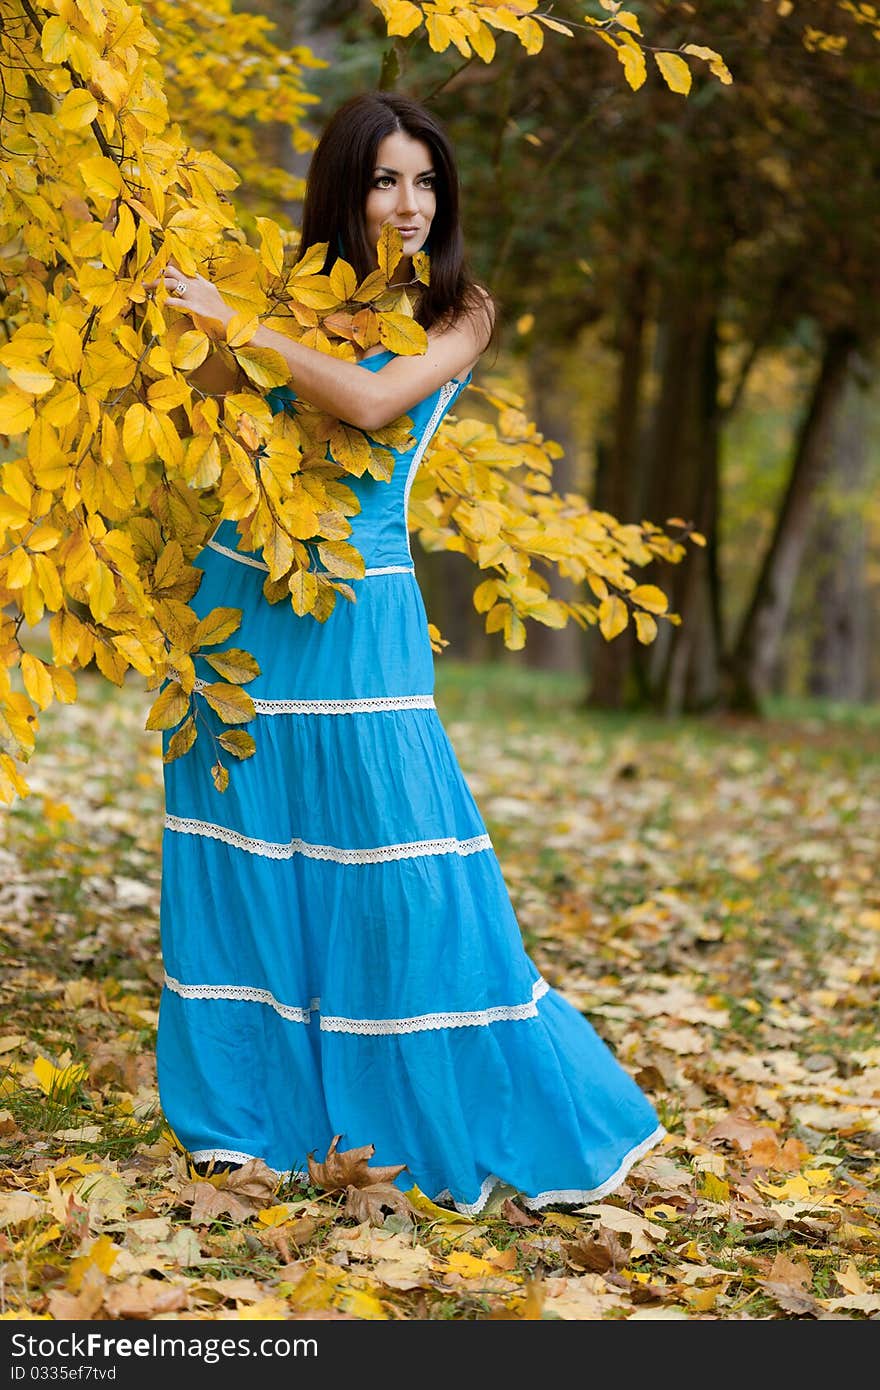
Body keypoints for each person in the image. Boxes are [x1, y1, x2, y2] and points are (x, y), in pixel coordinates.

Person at [154, 90, 665, 1213]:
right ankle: (242, 1123)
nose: (408, 204)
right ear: (344, 188)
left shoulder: (458, 308)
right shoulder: (282, 298)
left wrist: (240, 327)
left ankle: (433, 1108)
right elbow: (211, 406)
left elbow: (377, 405)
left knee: (397, 868)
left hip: (358, 615)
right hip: (240, 600)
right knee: (245, 855)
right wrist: (191, 325)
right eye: (386, 180)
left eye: (425, 181)